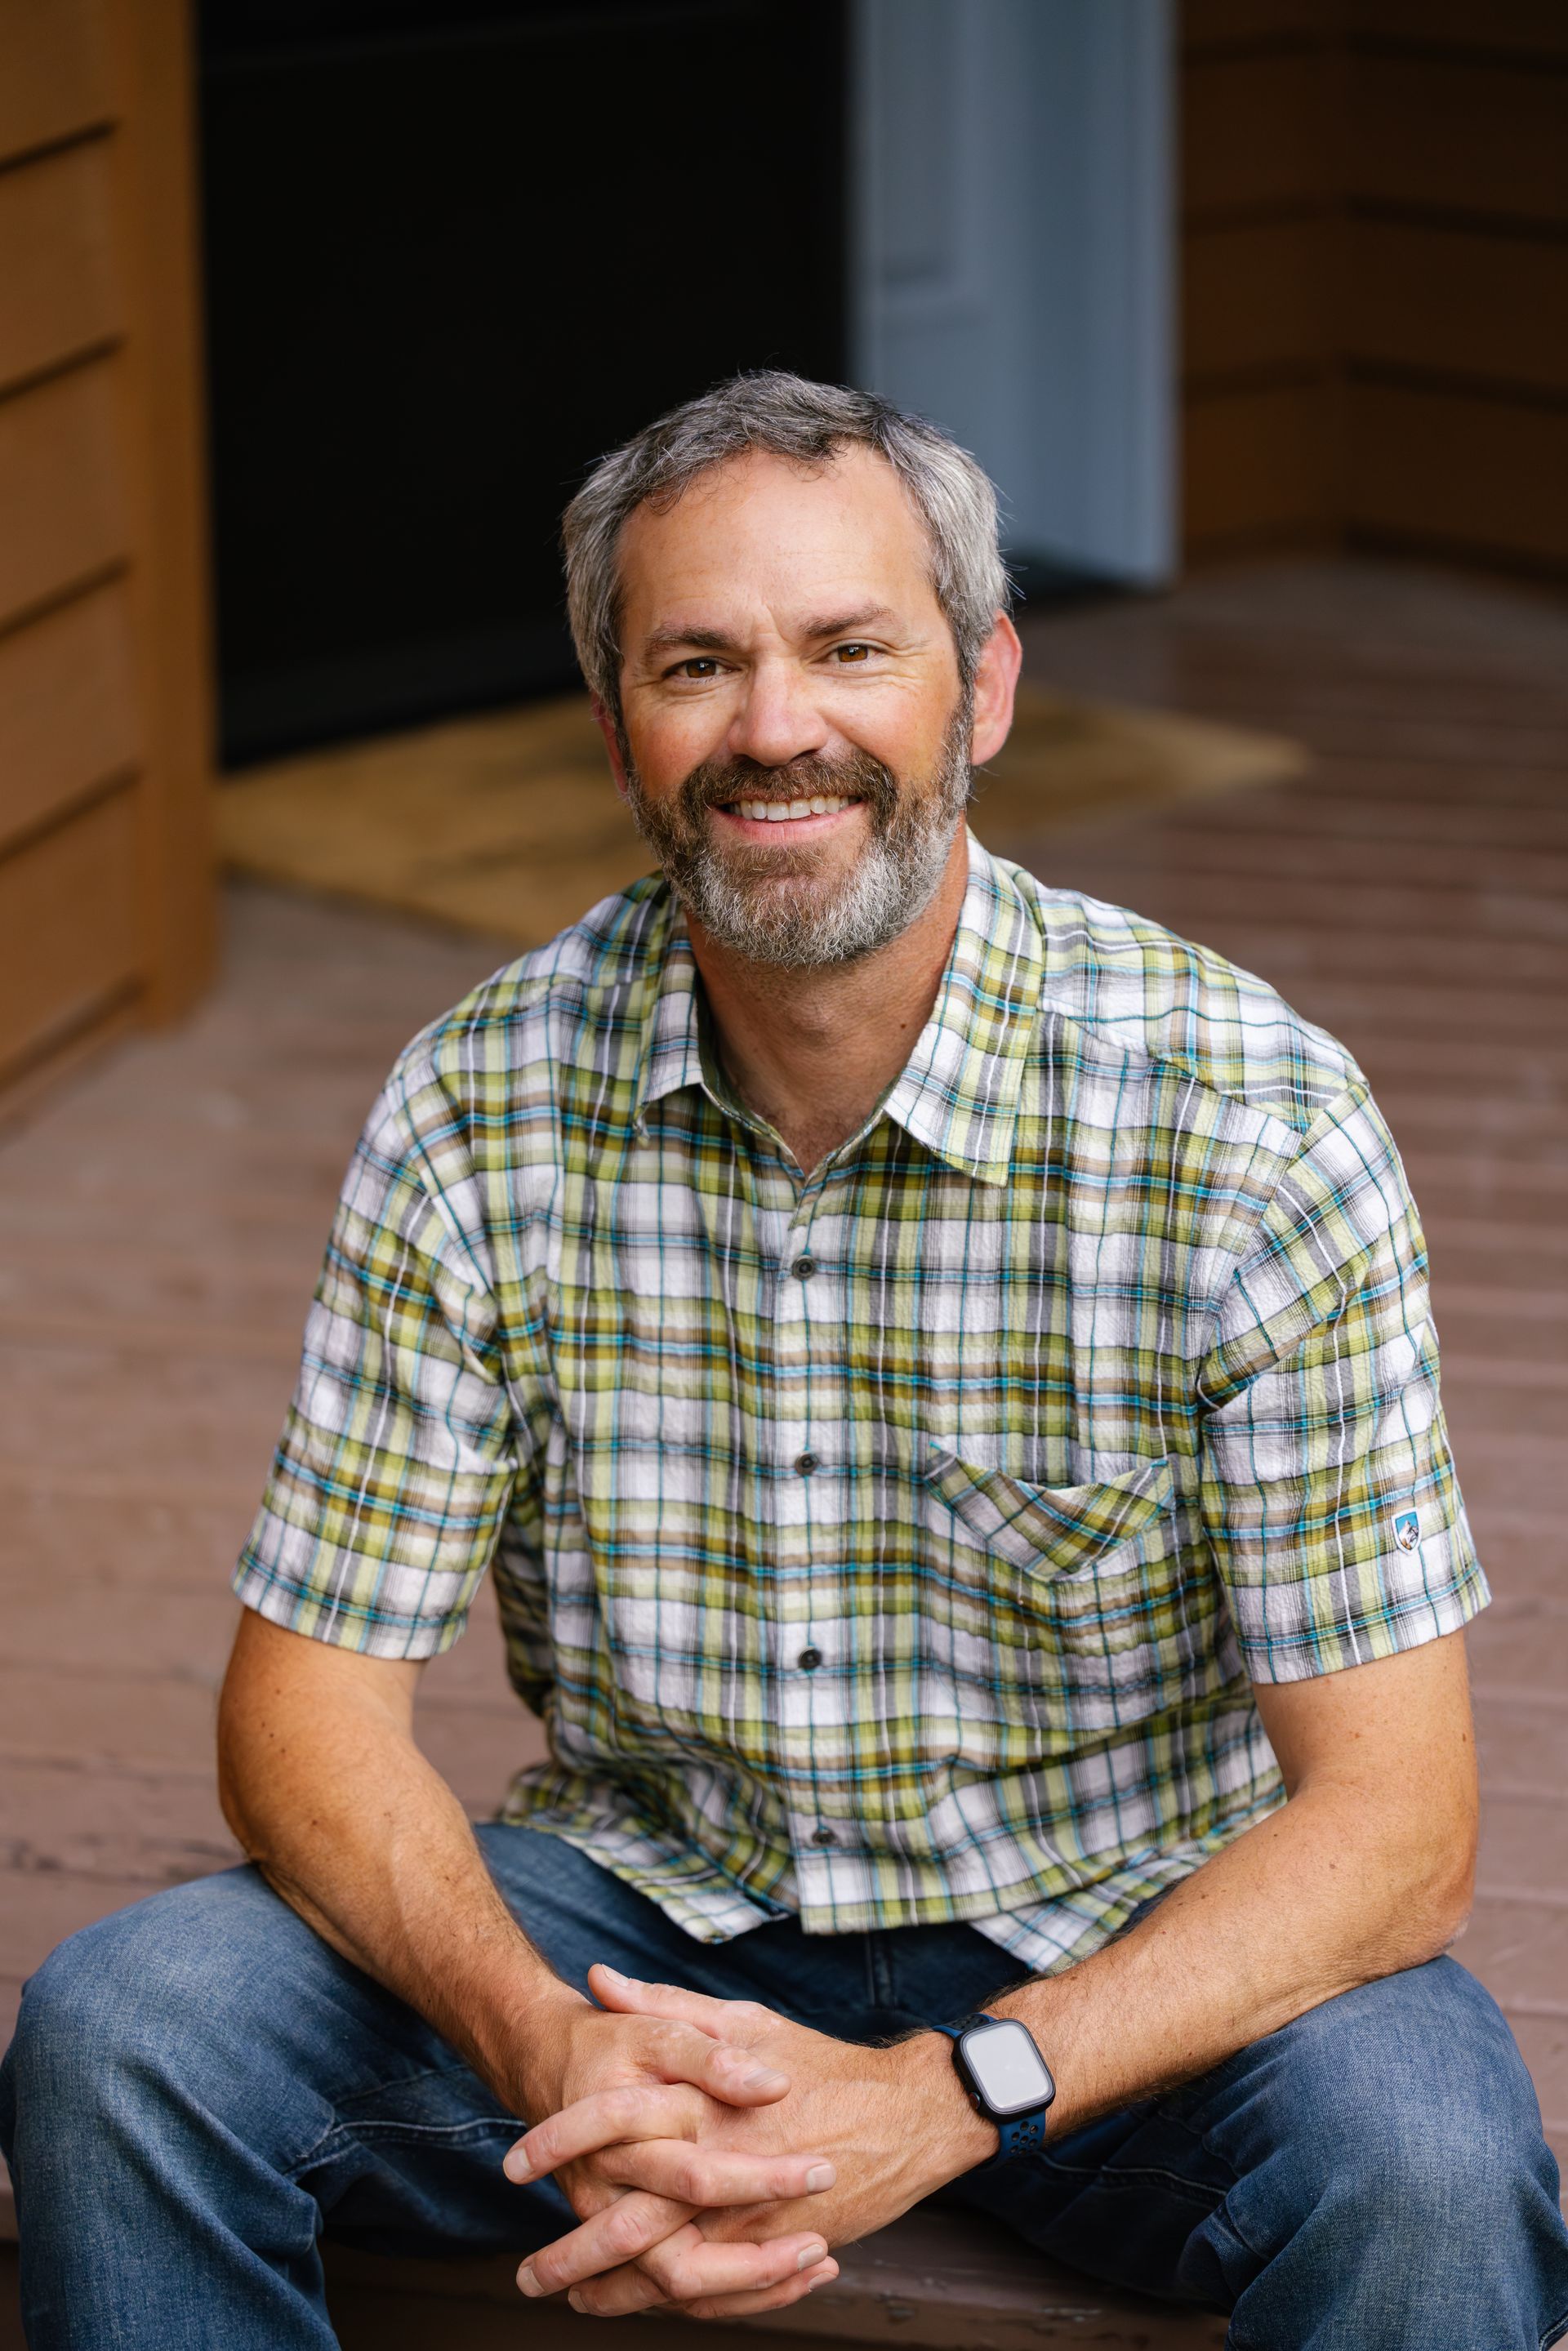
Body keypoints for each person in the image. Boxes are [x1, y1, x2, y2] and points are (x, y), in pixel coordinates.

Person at [3, 372, 1564, 2351]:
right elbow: (300, 1713)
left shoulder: (1248, 1124)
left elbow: (1400, 1830)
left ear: (983, 690)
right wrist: (547, 2049)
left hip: (1122, 1953)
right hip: (641, 1934)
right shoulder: (483, 1105)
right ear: (616, 733)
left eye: (850, 649)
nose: (773, 728)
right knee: (126, 2034)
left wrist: (951, 2093)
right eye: (697, 665)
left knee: (1431, 2169)